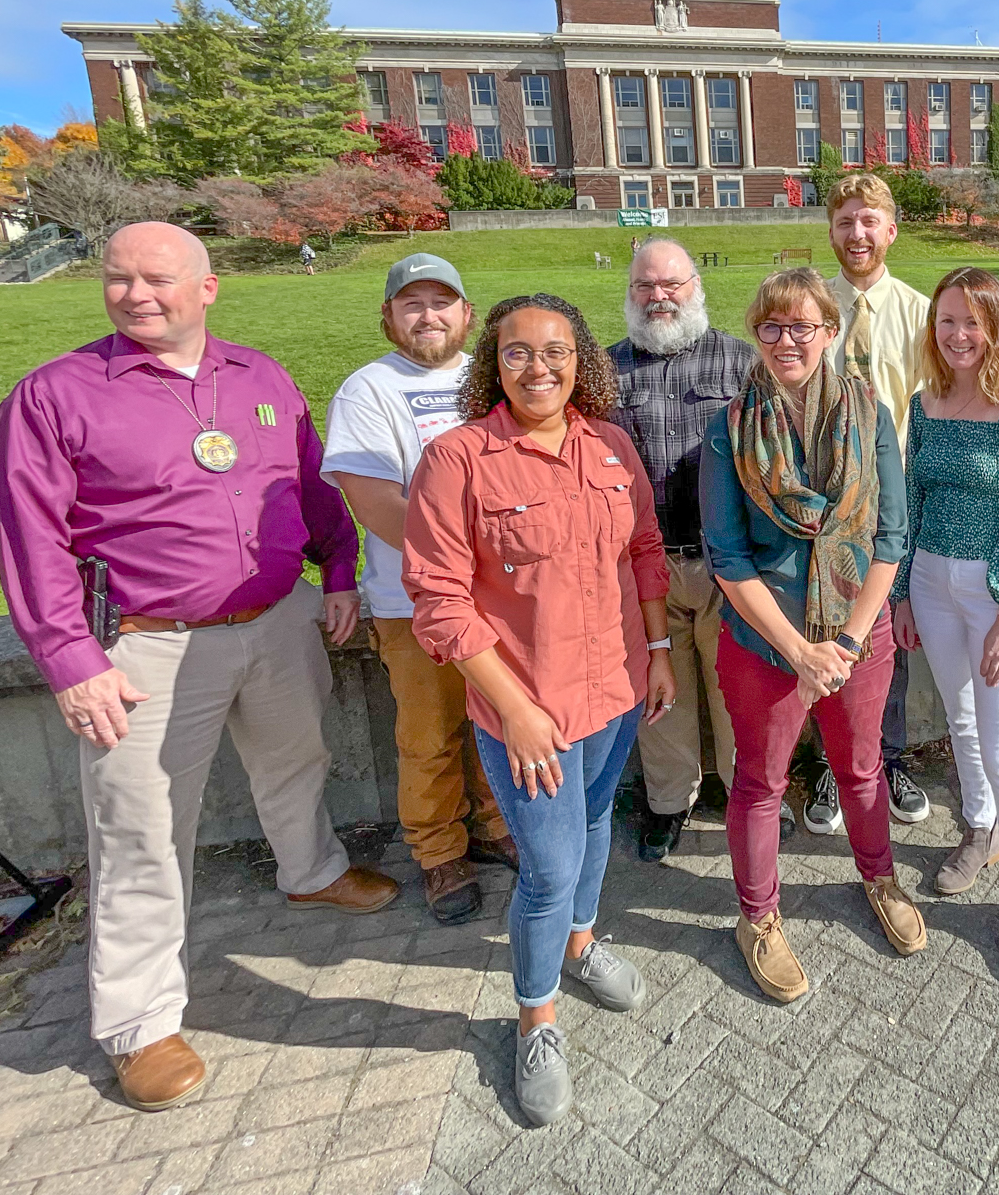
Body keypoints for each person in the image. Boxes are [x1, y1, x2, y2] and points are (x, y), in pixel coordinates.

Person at [0, 222, 398, 1115]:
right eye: (119, 278)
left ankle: (312, 872)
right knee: (141, 828)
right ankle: (139, 1023)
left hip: (277, 619)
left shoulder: (260, 377)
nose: (137, 295)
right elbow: (28, 539)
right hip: (146, 646)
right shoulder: (56, 395)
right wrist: (70, 658)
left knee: (296, 760)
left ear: (207, 287)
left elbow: (311, 485)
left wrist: (340, 570)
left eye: (158, 278)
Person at [403, 293, 674, 1127]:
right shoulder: (458, 460)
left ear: (580, 360)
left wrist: (659, 652)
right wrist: (516, 711)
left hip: (616, 691)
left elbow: (644, 551)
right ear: (493, 363)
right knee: (548, 870)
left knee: (595, 833)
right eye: (517, 353)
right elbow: (439, 601)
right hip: (532, 712)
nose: (538, 368)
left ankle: (582, 944)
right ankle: (536, 1014)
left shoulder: (612, 446)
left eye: (555, 351)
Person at [702, 267, 925, 1001]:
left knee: (862, 771)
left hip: (858, 635)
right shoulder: (729, 427)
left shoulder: (869, 414)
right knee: (760, 784)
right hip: (766, 647)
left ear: (831, 333)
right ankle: (757, 918)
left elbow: (891, 535)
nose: (786, 340)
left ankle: (879, 878)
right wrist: (800, 652)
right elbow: (728, 558)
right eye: (771, 326)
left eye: (803, 326)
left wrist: (850, 643)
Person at [323, 254, 515, 925]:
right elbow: (376, 503)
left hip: (502, 598)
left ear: (467, 313)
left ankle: (495, 827)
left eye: (442, 302)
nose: (428, 315)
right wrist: (480, 555)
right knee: (429, 734)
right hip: (417, 602)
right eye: (412, 304)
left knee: (496, 720)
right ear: (388, 318)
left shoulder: (492, 380)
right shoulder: (368, 390)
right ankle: (439, 853)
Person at [893, 267, 999, 982]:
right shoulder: (926, 403)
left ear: (997, 326)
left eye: (972, 321)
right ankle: (978, 829)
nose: (958, 335)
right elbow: (910, 502)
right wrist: (902, 590)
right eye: (947, 321)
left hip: (997, 594)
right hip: (932, 579)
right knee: (962, 722)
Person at [606, 237, 757, 861]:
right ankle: (669, 801)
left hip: (726, 565)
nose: (658, 296)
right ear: (630, 293)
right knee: (658, 697)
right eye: (646, 286)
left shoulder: (740, 362)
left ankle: (746, 793)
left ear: (697, 285)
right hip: (647, 566)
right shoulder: (605, 369)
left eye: (671, 284)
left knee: (735, 692)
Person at [812, 173, 934, 833]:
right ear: (829, 232)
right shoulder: (811, 307)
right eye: (844, 222)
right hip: (821, 506)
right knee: (822, 630)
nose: (856, 234)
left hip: (891, 507)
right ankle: (831, 762)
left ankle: (889, 758)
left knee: (890, 640)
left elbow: (930, 412)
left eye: (868, 222)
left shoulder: (919, 315)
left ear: (890, 230)